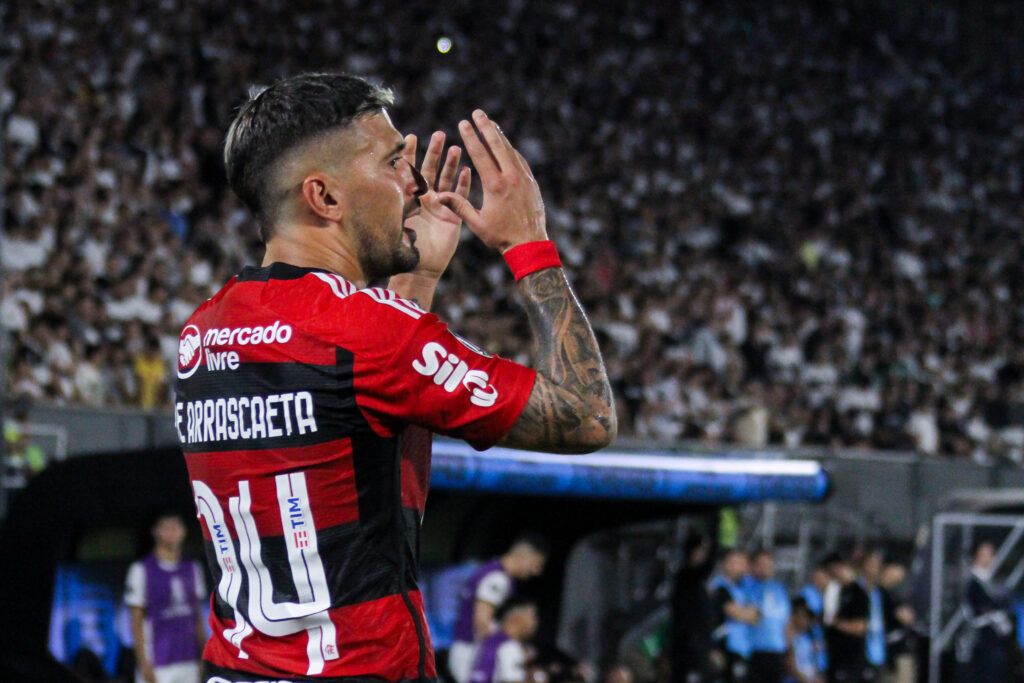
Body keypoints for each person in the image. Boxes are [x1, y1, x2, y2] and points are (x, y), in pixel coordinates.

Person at [174, 73, 616, 682]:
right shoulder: (367, 332)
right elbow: (586, 415)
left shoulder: (204, 330)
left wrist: (418, 282)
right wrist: (529, 244)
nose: (412, 181)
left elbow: (358, 408)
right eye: (391, 163)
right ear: (324, 197)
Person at [450, 533, 551, 683]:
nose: (536, 572)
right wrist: (505, 648)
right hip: (470, 652)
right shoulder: (497, 578)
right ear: (524, 556)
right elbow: (482, 622)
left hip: (469, 649)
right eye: (536, 564)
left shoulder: (492, 570)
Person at [124, 512, 207, 683]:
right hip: (159, 663)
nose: (172, 532)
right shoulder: (142, 570)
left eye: (176, 527)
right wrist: (143, 664)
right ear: (155, 532)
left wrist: (203, 655)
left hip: (189, 659)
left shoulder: (192, 568)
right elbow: (136, 621)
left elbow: (197, 616)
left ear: (183, 532)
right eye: (166, 527)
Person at [957, 541, 1013, 682]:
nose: (988, 558)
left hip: (995, 638)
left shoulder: (994, 580)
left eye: (990, 554)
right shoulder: (971, 581)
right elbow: (976, 608)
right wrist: (993, 614)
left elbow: (1004, 604)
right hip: (980, 639)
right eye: (983, 554)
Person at [669, 531, 714, 683]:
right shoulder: (685, 577)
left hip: (700, 648)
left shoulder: (699, 582)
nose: (702, 555)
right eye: (699, 551)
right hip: (687, 651)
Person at [710, 549, 759, 683]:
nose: (741, 567)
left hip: (743, 649)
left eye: (743, 563)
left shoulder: (744, 589)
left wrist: (744, 613)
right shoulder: (720, 586)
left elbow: (756, 618)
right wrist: (744, 612)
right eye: (736, 563)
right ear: (725, 564)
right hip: (726, 647)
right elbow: (735, 613)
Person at [822, 554, 870, 683]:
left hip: (851, 656)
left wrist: (834, 623)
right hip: (834, 656)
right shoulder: (833, 591)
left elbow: (860, 627)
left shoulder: (858, 593)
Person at [745, 549, 791, 683]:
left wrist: (789, 648)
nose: (766, 568)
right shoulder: (747, 586)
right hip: (756, 650)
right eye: (761, 564)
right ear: (752, 566)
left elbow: (786, 621)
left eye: (768, 564)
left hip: (777, 650)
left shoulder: (779, 589)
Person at [468, 597, 539, 683]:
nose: (535, 624)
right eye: (532, 617)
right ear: (516, 618)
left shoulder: (486, 639)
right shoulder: (510, 647)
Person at [785, 598, 824, 683]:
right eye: (800, 616)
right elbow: (791, 666)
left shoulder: (810, 638)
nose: (803, 620)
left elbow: (818, 666)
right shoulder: (789, 638)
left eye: (806, 617)